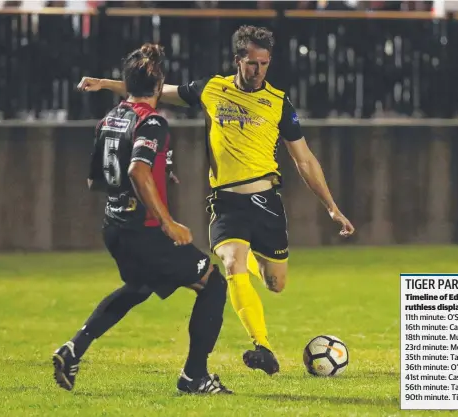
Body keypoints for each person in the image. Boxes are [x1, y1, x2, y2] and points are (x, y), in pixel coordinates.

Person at [77, 25, 355, 376]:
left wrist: (331, 206)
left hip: (266, 202)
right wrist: (105, 83)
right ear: (238, 59)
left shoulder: (279, 103)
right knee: (230, 263)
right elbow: (157, 91)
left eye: (265, 63)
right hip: (225, 203)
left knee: (276, 284)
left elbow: (305, 159)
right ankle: (263, 347)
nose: (258, 71)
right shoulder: (212, 89)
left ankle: (255, 264)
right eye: (252, 63)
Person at [53, 43, 232, 395]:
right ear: (159, 83)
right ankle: (194, 376)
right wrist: (167, 221)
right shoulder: (151, 122)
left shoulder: (111, 118)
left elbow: (96, 180)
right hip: (146, 232)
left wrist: (160, 173)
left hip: (115, 227)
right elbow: (137, 169)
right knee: (213, 284)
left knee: (139, 288)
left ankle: (74, 348)